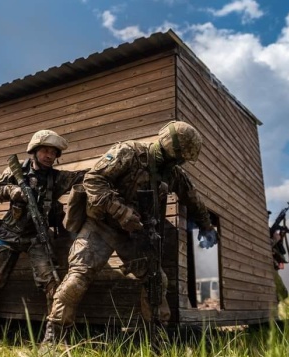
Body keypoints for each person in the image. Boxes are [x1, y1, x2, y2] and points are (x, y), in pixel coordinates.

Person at [42, 120, 219, 344]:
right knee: (76, 279)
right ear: (170, 149)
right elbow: (93, 180)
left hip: (135, 235)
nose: (181, 161)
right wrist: (120, 210)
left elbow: (193, 199)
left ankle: (156, 340)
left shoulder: (172, 173)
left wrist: (206, 226)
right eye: (180, 156)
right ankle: (53, 336)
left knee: (157, 281)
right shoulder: (128, 153)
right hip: (101, 227)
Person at [0, 130, 87, 341]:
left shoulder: (57, 178)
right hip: (9, 234)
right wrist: (13, 191)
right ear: (34, 151)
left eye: (54, 153)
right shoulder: (16, 171)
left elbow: (84, 176)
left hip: (37, 236)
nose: (49, 156)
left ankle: (53, 339)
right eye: (45, 150)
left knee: (52, 283)